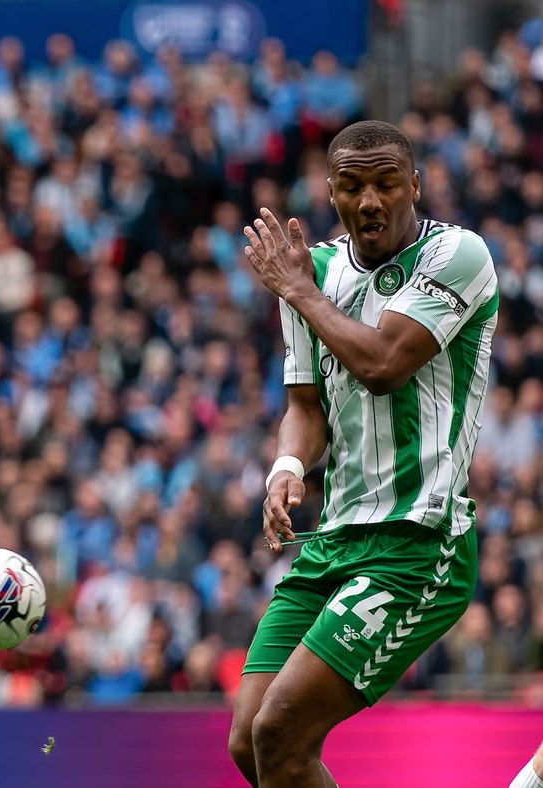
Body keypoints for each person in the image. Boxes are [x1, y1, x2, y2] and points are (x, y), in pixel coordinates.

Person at [228, 120, 497, 787]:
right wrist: (288, 467)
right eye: (351, 186)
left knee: (280, 730)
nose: (370, 201)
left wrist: (299, 291)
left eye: (386, 183)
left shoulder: (458, 255)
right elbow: (305, 405)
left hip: (417, 543)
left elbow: (382, 365)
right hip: (333, 540)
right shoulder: (314, 270)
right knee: (249, 741)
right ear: (331, 192)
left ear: (416, 185)